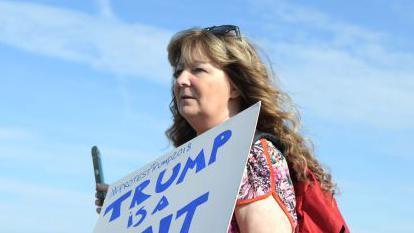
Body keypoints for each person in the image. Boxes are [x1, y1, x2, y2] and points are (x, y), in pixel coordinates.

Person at [95, 25, 338, 233]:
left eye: (198, 70)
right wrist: (124, 209)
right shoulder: (184, 172)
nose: (180, 80)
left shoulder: (251, 158)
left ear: (234, 87)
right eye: (179, 72)